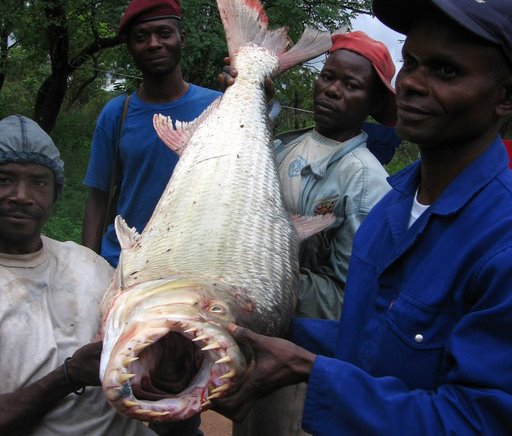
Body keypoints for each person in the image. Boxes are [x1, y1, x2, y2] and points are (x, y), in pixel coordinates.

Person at [212, 0, 512, 434]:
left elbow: (476, 422)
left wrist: (314, 371)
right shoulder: (392, 211)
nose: (412, 83)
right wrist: (253, 327)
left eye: (446, 71)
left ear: (505, 97)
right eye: (411, 63)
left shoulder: (500, 244)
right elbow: (370, 341)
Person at [229, 30, 397, 436]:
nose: (332, 90)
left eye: (350, 85)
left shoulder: (366, 183)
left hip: (302, 358)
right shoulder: (288, 147)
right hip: (261, 334)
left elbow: (348, 297)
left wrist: (265, 277)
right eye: (327, 77)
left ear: (373, 103)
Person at [0, 114, 155, 435]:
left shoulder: (91, 266)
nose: (21, 195)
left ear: (55, 195)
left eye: (39, 182)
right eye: (4, 179)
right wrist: (68, 377)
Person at [82, 0, 222, 267]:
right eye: (141, 37)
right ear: (130, 48)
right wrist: (87, 265)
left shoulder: (218, 107)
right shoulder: (116, 114)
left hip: (193, 266)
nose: (154, 44)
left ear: (182, 38)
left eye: (164, 33)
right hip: (123, 263)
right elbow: (98, 198)